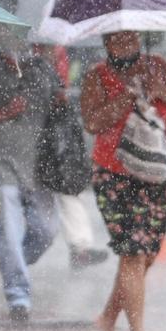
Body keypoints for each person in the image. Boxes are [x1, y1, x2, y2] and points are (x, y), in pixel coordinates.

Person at [80, 32, 166, 331]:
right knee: (132, 253)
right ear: (106, 42)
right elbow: (92, 122)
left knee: (144, 255)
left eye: (129, 37)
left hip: (155, 174)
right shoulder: (97, 75)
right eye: (116, 39)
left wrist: (158, 90)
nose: (123, 44)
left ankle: (105, 319)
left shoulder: (158, 66)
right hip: (113, 174)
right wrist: (127, 98)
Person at [0, 50, 60, 325]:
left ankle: (11, 261)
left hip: (40, 166)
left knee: (47, 230)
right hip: (1, 164)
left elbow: (59, 108)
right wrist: (2, 112)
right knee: (8, 229)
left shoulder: (43, 70)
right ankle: (18, 295)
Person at [33, 44, 108, 271]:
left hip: (58, 136)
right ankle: (19, 253)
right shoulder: (35, 58)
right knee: (50, 196)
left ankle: (79, 247)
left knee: (66, 191)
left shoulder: (66, 52)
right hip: (43, 137)